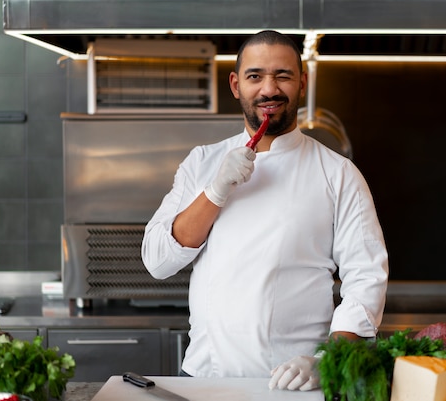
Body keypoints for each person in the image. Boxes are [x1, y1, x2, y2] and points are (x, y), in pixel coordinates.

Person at [141, 30, 389, 391]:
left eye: (283, 76)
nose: (268, 89)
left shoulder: (338, 174)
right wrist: (215, 191)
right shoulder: (202, 162)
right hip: (205, 378)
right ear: (236, 84)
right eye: (255, 76)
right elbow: (158, 261)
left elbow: (366, 279)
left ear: (302, 83)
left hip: (293, 382)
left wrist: (327, 360)